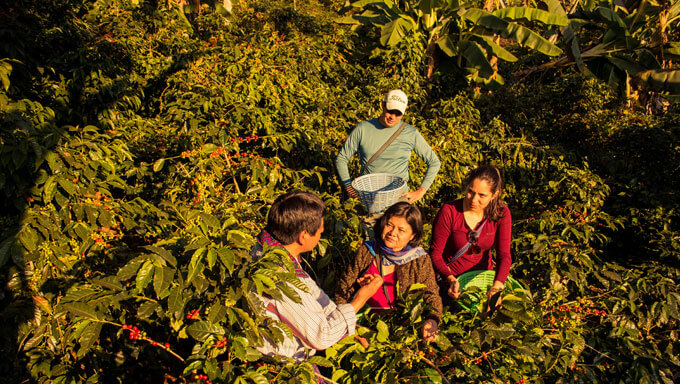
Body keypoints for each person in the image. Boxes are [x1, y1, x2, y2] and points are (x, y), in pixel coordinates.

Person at [251, 190, 384, 363]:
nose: (321, 235)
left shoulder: (268, 248)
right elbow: (321, 336)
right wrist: (360, 299)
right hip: (282, 366)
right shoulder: (280, 276)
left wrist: (352, 329)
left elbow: (316, 299)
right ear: (303, 236)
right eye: (320, 232)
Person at [335, 202, 442, 341]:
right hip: (363, 325)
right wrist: (349, 326)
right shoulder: (366, 251)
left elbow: (431, 295)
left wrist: (432, 320)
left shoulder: (419, 260)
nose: (392, 233)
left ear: (412, 235)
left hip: (401, 330)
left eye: (401, 230)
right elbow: (343, 288)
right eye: (389, 225)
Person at [335, 89, 441, 204]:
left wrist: (420, 191)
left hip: (399, 200)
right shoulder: (363, 129)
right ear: (383, 105)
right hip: (369, 200)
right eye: (390, 111)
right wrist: (348, 187)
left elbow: (434, 162)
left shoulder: (410, 133)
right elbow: (342, 158)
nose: (393, 117)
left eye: (398, 114)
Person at [429, 165, 512, 310]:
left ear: (494, 194)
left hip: (481, 282)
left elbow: (504, 255)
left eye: (482, 195)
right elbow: (435, 254)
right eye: (470, 192)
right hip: (450, 282)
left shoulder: (501, 214)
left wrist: (497, 286)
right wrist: (450, 279)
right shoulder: (450, 211)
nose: (473, 200)